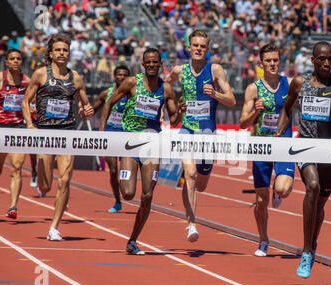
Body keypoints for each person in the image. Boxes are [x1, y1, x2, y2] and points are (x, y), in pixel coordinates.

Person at [276, 41, 331, 278]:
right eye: (322, 59)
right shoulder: (300, 83)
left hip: (330, 152)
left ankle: (312, 245)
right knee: (311, 187)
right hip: (304, 145)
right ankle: (306, 250)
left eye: (330, 59)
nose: (327, 63)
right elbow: (286, 109)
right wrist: (279, 135)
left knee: (320, 205)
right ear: (312, 60)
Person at [99, 47, 182, 255]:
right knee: (128, 193)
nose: (152, 65)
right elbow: (109, 103)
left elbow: (173, 121)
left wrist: (179, 112)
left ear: (160, 64)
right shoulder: (132, 83)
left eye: (156, 62)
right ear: (143, 65)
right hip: (129, 141)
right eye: (149, 62)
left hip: (152, 143)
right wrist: (101, 132)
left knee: (147, 195)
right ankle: (122, 201)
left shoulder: (167, 89)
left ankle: (133, 240)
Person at [21, 33, 94, 241]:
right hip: (45, 132)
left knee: (64, 180)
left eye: (65, 50)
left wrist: (86, 110)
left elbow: (84, 105)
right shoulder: (40, 74)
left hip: (67, 133)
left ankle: (54, 227)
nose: (62, 53)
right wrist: (29, 124)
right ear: (51, 54)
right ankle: (42, 175)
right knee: (45, 185)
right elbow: (26, 101)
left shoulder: (76, 77)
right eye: (58, 50)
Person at [165, 29, 236, 242]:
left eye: (202, 46)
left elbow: (232, 100)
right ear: (189, 48)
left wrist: (215, 94)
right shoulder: (179, 71)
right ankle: (191, 224)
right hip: (186, 129)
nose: (198, 49)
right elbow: (166, 85)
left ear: (207, 49)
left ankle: (190, 195)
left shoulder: (215, 70)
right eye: (195, 45)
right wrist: (173, 106)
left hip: (207, 132)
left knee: (201, 184)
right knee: (191, 175)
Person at [239, 43, 294, 257]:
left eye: (276, 60)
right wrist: (255, 112)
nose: (272, 64)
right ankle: (263, 240)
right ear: (261, 63)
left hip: (283, 143)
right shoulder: (253, 89)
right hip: (260, 146)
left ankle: (279, 186)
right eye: (268, 61)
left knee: (282, 188)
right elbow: (243, 122)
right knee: (261, 201)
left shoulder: (289, 85)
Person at [0, 49, 31, 219]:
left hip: (18, 128)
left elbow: (32, 102)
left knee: (17, 168)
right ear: (6, 62)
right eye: (12, 59)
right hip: (0, 128)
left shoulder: (27, 82)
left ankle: (13, 206)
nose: (16, 61)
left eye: (18, 59)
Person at [94, 64, 130, 213]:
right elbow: (92, 109)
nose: (121, 77)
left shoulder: (132, 93)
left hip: (127, 135)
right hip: (110, 134)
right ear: (114, 76)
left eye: (124, 75)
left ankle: (127, 189)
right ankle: (117, 201)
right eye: (119, 74)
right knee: (113, 170)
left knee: (125, 171)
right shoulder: (106, 94)